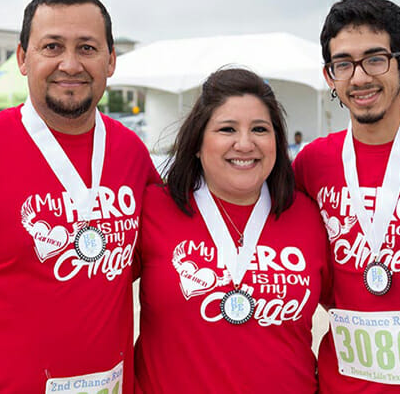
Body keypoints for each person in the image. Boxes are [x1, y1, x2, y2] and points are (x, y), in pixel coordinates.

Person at [0, 0, 160, 393]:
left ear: (111, 61)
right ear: (23, 59)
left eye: (87, 47)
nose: (70, 63)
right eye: (52, 46)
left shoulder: (131, 152)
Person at [293, 0, 400, 392]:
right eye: (343, 64)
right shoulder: (312, 165)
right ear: (330, 76)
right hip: (341, 384)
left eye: (375, 59)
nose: (360, 77)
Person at [134, 68, 331, 393]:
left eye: (259, 129)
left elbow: (351, 302)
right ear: (197, 143)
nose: (244, 143)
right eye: (227, 129)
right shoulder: (153, 208)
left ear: (276, 141)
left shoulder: (308, 215)